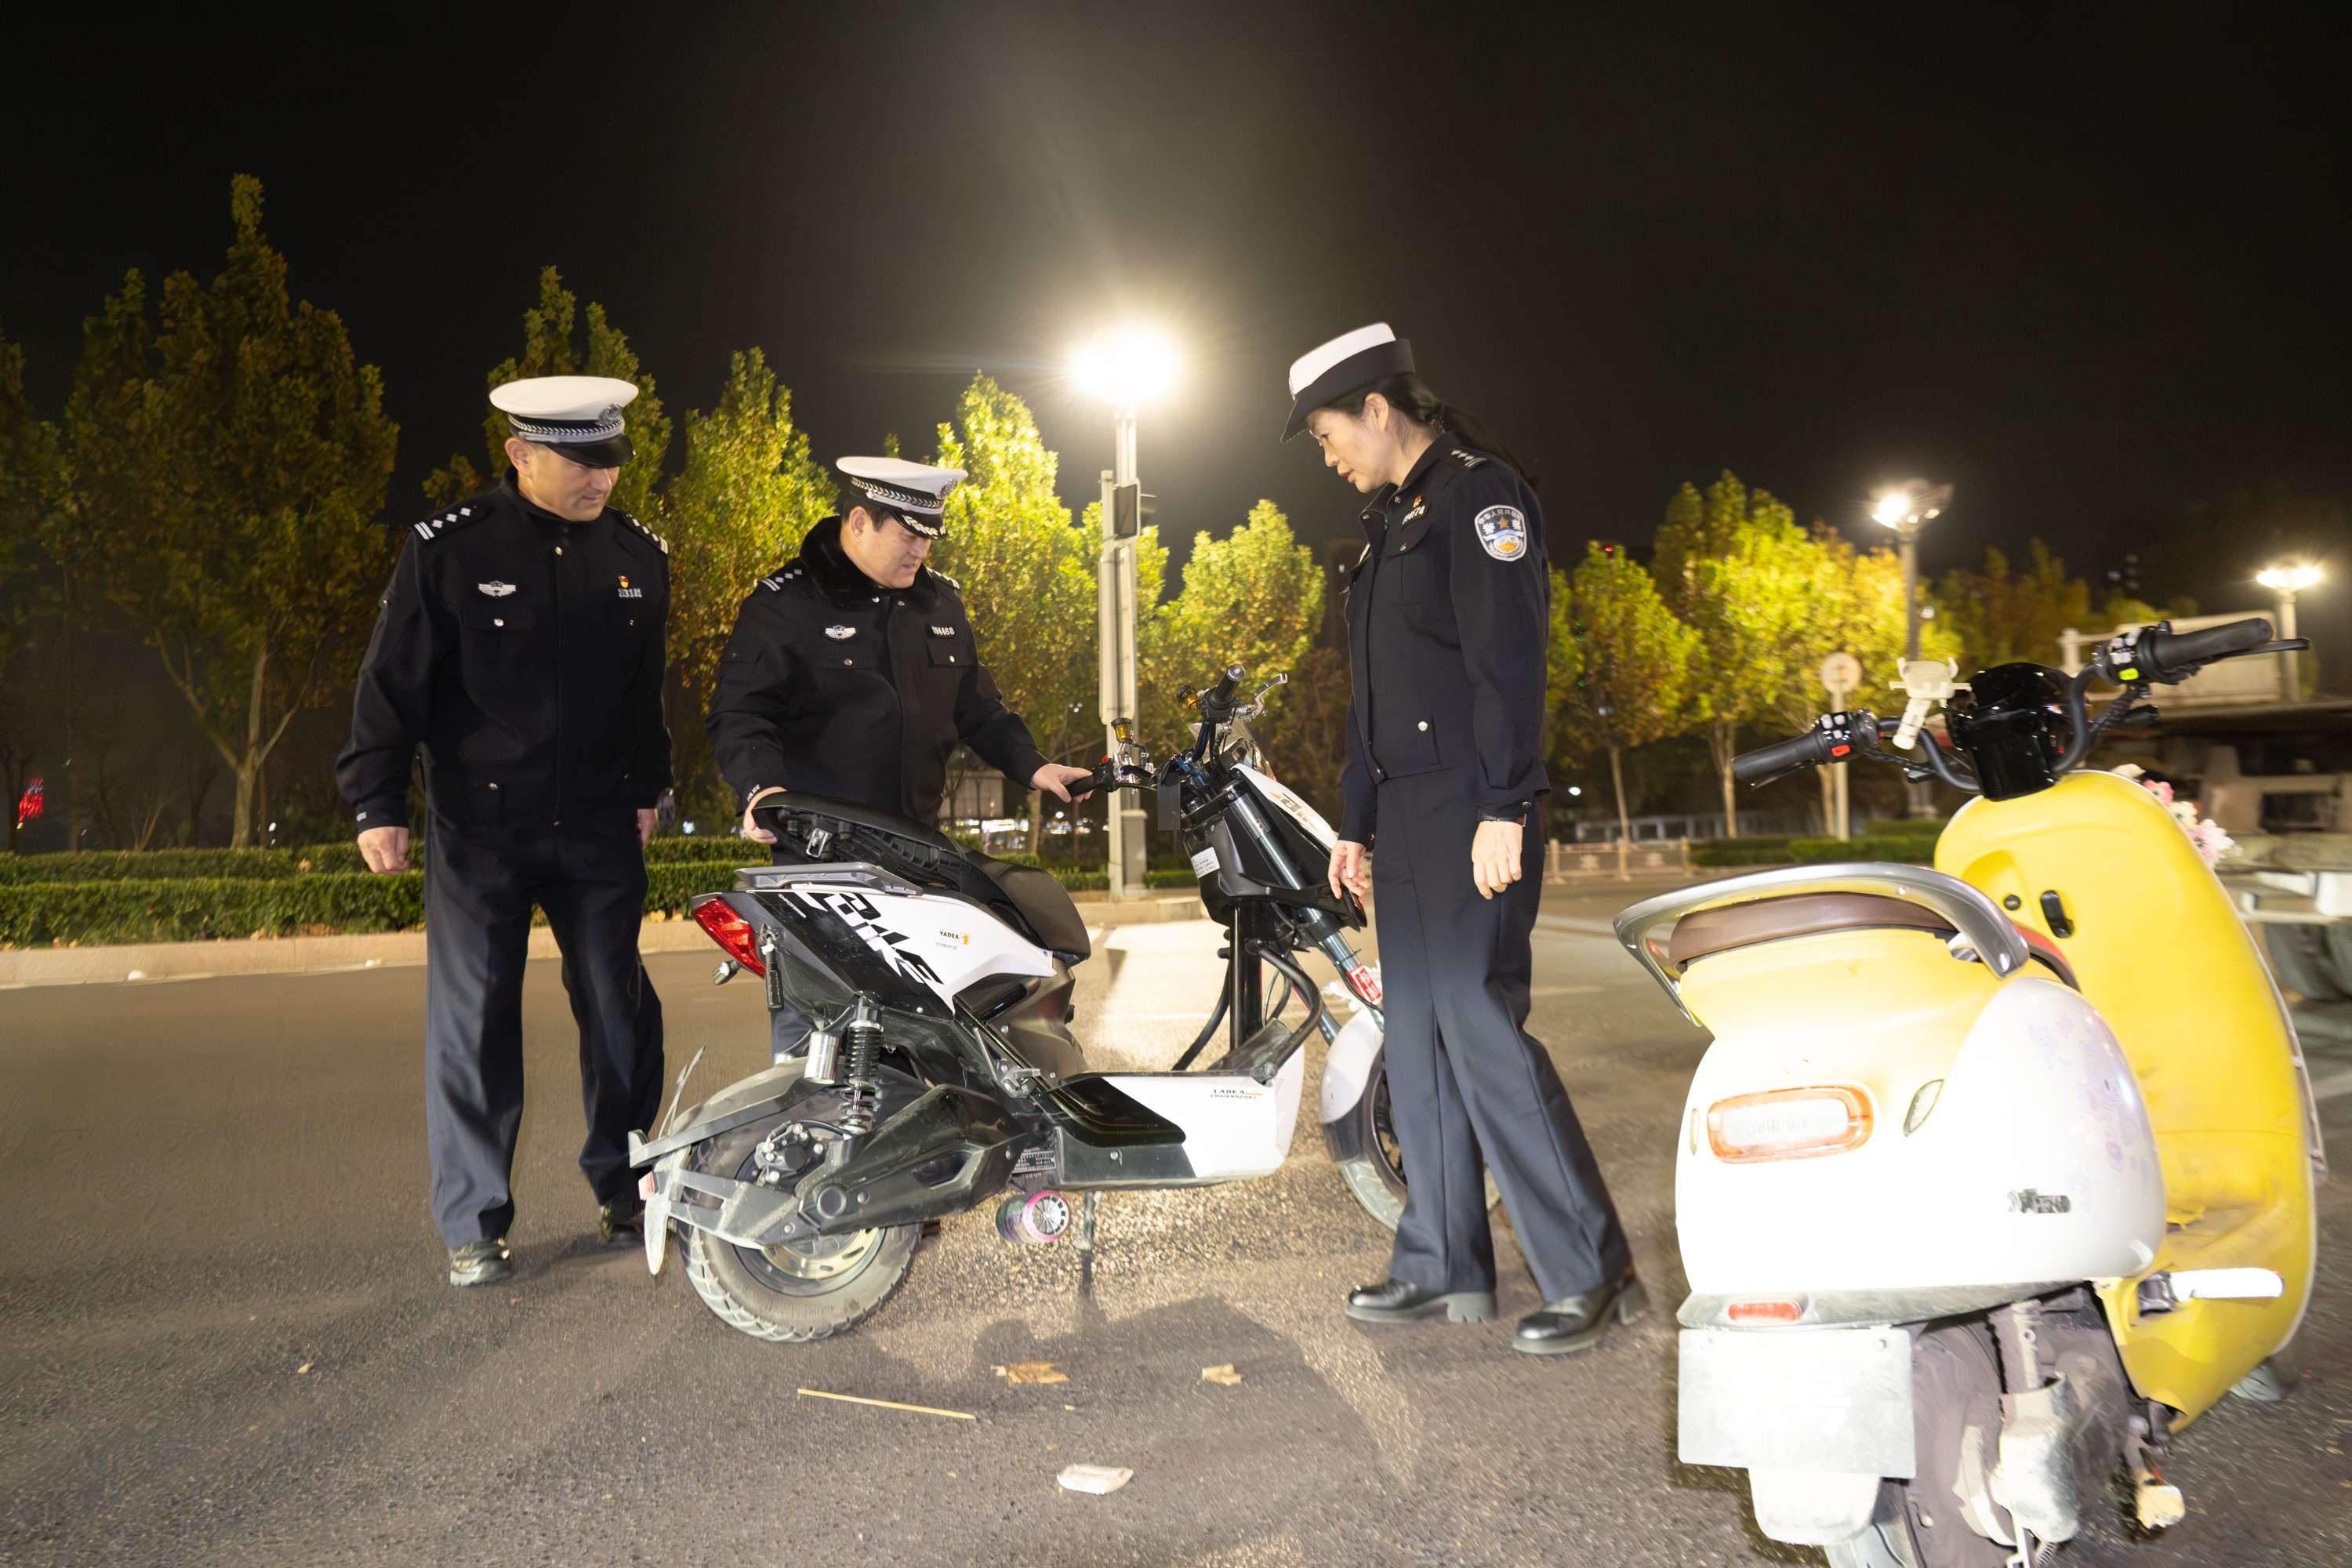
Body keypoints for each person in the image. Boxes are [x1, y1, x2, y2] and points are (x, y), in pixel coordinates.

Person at [1286, 324, 1639, 1353]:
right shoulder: (1389, 526)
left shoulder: (1479, 499)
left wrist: (1505, 803)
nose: (1328, 457)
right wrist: (1354, 824)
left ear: (1377, 410)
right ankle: (1440, 1262)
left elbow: (1507, 662)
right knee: (1420, 1042)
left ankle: (1592, 1267)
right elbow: (1371, 701)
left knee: (1479, 1027)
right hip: (1403, 817)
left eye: (1328, 436)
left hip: (1470, 805)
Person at [338, 375, 671, 1288]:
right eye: (581, 462)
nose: (602, 479)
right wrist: (377, 800)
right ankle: (475, 1222)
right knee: (475, 1021)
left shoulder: (638, 554)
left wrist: (650, 786)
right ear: (521, 453)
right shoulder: (449, 548)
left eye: (611, 461)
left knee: (620, 1013)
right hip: (483, 828)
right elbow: (392, 680)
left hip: (599, 825)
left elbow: (645, 691)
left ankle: (627, 1189)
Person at [706, 456, 1094, 1058]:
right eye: (908, 535)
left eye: (929, 537)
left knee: (924, 1042)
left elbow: (978, 710)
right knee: (821, 1045)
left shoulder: (940, 606)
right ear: (860, 521)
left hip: (918, 860)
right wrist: (761, 789)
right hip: (821, 866)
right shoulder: (786, 605)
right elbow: (739, 713)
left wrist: (1037, 767)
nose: (921, 551)